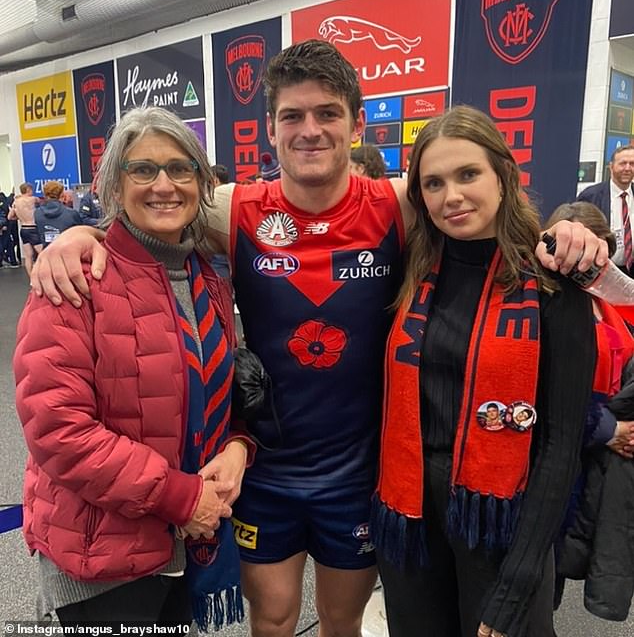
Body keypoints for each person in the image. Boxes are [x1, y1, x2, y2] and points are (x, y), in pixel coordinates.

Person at [29, 41, 607, 637]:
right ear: (271, 130)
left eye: (328, 113)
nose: (311, 130)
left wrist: (569, 233)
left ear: (356, 123)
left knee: (341, 622)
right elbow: (150, 211)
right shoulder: (233, 209)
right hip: (265, 466)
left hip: (361, 474)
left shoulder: (400, 203)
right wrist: (81, 236)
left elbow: (483, 210)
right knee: (273, 621)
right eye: (293, 116)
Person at [14, 107, 254, 628]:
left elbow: (218, 391)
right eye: (143, 169)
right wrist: (181, 496)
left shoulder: (205, 277)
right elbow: (58, 429)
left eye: (181, 168)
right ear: (115, 187)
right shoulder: (75, 280)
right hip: (102, 556)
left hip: (184, 541)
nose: (163, 184)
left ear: (201, 183)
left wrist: (238, 446)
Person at [372, 105, 597, 637]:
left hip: (501, 524)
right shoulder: (411, 271)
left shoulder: (552, 284)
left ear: (503, 174)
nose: (451, 196)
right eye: (433, 182)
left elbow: (562, 444)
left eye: (467, 174)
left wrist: (518, 581)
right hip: (411, 523)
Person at [544, 201, 634, 622]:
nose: (574, 260)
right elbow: (536, 396)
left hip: (603, 472)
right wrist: (608, 427)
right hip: (550, 465)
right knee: (538, 591)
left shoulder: (620, 306)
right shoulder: (536, 303)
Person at [577, 144, 634, 274]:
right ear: (611, 166)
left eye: (632, 164)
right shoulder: (590, 196)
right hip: (602, 271)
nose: (627, 168)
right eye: (622, 163)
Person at [7, 183, 42, 276]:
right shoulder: (33, 199)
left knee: (28, 256)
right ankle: (45, 275)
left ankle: (32, 279)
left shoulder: (15, 202)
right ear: (28, 190)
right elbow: (42, 201)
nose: (33, 191)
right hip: (33, 229)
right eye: (31, 190)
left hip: (23, 229)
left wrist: (19, 217)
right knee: (43, 253)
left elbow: (9, 217)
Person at [34, 181, 83, 247]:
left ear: (44, 195)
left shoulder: (37, 213)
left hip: (47, 252)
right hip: (68, 252)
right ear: (62, 195)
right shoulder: (72, 214)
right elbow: (81, 234)